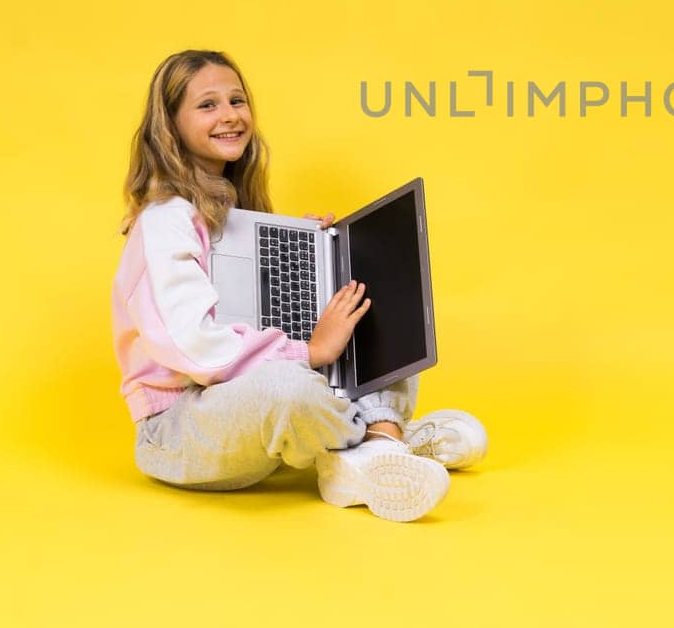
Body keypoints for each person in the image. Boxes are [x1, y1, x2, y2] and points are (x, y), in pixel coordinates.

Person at [110, 48, 487, 522]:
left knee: (362, 290)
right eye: (207, 105)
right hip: (181, 427)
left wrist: (315, 253)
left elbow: (254, 323)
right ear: (170, 126)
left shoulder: (233, 213)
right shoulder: (164, 221)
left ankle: (373, 445)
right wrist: (309, 353)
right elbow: (196, 348)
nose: (229, 116)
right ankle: (377, 440)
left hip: (238, 400)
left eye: (237, 101)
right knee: (286, 387)